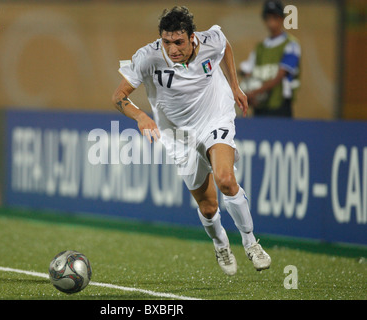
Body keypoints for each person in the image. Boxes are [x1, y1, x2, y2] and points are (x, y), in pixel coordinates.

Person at [112, 6, 271, 276]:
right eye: (167, 42)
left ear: (192, 37)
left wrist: (234, 86)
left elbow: (226, 47)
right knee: (208, 207)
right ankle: (220, 243)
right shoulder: (148, 57)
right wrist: (140, 117)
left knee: (225, 179)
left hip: (215, 119)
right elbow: (119, 96)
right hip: (179, 136)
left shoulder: (211, 41)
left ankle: (250, 242)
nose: (172, 49)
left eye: (179, 42)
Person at [240, 0, 301, 117]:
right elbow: (248, 72)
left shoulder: (291, 45)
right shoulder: (260, 48)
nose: (271, 22)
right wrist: (248, 93)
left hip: (280, 106)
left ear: (282, 19)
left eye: (275, 17)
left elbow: (280, 76)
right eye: (268, 18)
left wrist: (254, 93)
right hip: (260, 106)